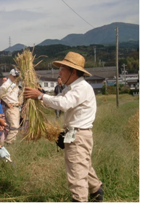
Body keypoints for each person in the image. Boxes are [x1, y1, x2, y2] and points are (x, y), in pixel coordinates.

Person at [23, 52, 103, 202]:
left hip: (78, 136)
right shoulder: (71, 88)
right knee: (83, 165)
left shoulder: (81, 88)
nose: (59, 72)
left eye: (62, 69)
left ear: (72, 71)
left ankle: (80, 199)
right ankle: (97, 191)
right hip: (75, 134)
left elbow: (63, 104)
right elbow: (58, 99)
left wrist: (39, 96)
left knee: (77, 173)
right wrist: (40, 95)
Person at [0, 69, 21, 144]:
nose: (16, 78)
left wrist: (20, 100)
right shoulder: (5, 85)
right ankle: (8, 142)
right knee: (15, 127)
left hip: (16, 107)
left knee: (9, 127)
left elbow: (19, 94)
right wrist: (7, 103)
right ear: (10, 75)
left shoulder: (16, 85)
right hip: (11, 107)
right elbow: (1, 94)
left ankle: (10, 143)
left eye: (17, 76)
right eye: (14, 76)